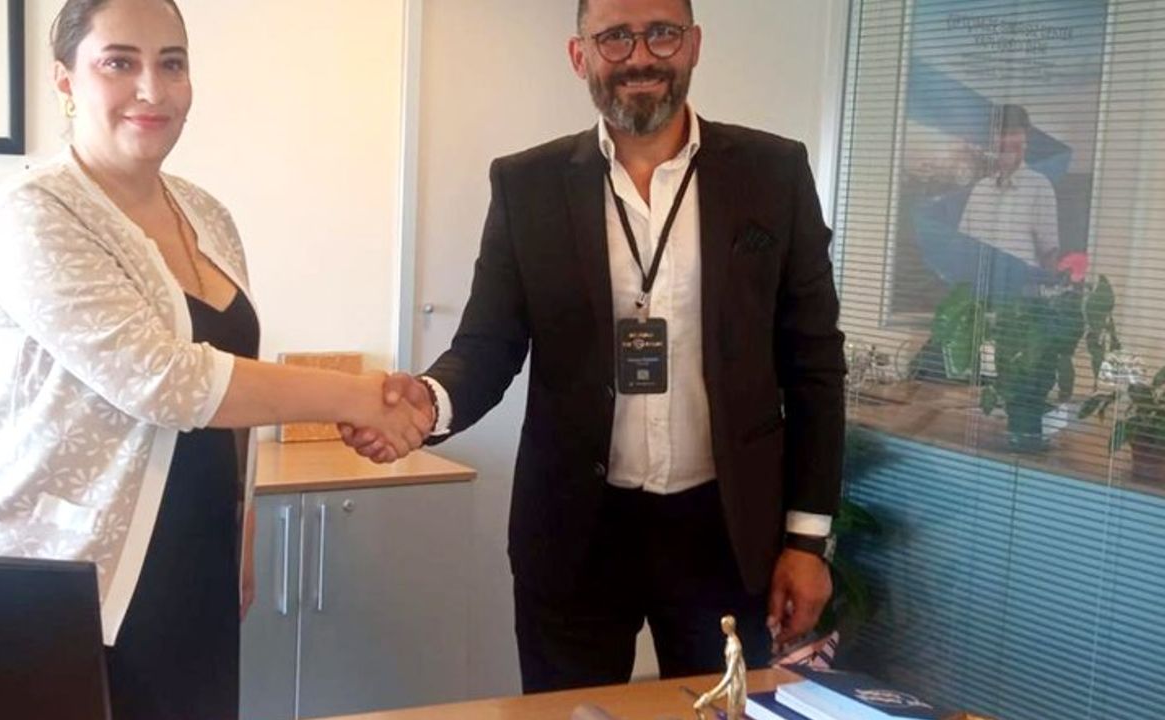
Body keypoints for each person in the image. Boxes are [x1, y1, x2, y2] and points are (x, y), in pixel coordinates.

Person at [0, 1, 429, 718]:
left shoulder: (207, 214)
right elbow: (166, 380)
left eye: (172, 63)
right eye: (119, 62)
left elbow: (232, 378)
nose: (152, 89)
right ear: (65, 80)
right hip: (55, 579)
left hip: (194, 561)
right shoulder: (34, 213)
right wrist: (357, 396)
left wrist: (242, 526)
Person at [343, 0, 845, 694]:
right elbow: (487, 345)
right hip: (575, 528)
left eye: (661, 33)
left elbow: (814, 364)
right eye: (614, 37)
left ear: (694, 44)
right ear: (580, 55)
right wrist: (427, 404)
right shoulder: (526, 185)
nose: (640, 57)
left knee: (720, 713)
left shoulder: (773, 172)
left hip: (725, 531)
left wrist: (807, 540)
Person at [958, 104, 1060, 271]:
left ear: (1026, 138)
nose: (1005, 141)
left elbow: (1049, 255)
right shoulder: (980, 190)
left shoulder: (1039, 187)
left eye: (1013, 133)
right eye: (1000, 134)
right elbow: (963, 248)